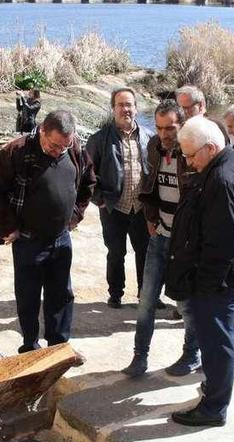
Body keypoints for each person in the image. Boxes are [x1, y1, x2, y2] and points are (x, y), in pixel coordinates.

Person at [165, 117, 234, 427]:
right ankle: (215, 390)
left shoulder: (222, 180)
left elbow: (220, 244)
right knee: (219, 337)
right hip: (227, 276)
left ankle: (214, 407)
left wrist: (204, 286)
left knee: (217, 341)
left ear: (210, 147)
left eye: (192, 155)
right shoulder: (233, 162)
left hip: (217, 282)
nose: (189, 162)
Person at [0, 110, 96, 353]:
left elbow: (88, 183)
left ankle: (58, 348)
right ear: (42, 130)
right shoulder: (17, 152)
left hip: (61, 238)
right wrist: (8, 225)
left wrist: (74, 216)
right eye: (54, 146)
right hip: (28, 240)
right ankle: (30, 347)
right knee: (28, 298)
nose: (58, 151)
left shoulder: (74, 149)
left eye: (63, 146)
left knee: (62, 295)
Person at [121, 100, 200, 378]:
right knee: (146, 300)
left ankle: (192, 354)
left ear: (182, 125)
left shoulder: (193, 150)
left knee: (185, 303)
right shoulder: (154, 146)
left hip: (185, 243)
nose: (165, 134)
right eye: (159, 127)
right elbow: (148, 182)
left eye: (171, 128)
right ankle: (139, 357)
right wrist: (150, 218)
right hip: (160, 236)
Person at [86, 87, 153, 309]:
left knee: (145, 252)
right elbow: (87, 174)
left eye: (129, 105)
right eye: (121, 105)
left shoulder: (149, 137)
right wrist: (100, 199)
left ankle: (146, 294)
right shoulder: (99, 139)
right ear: (113, 108)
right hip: (114, 207)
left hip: (142, 207)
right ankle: (115, 293)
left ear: (136, 107)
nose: (126, 109)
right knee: (116, 253)